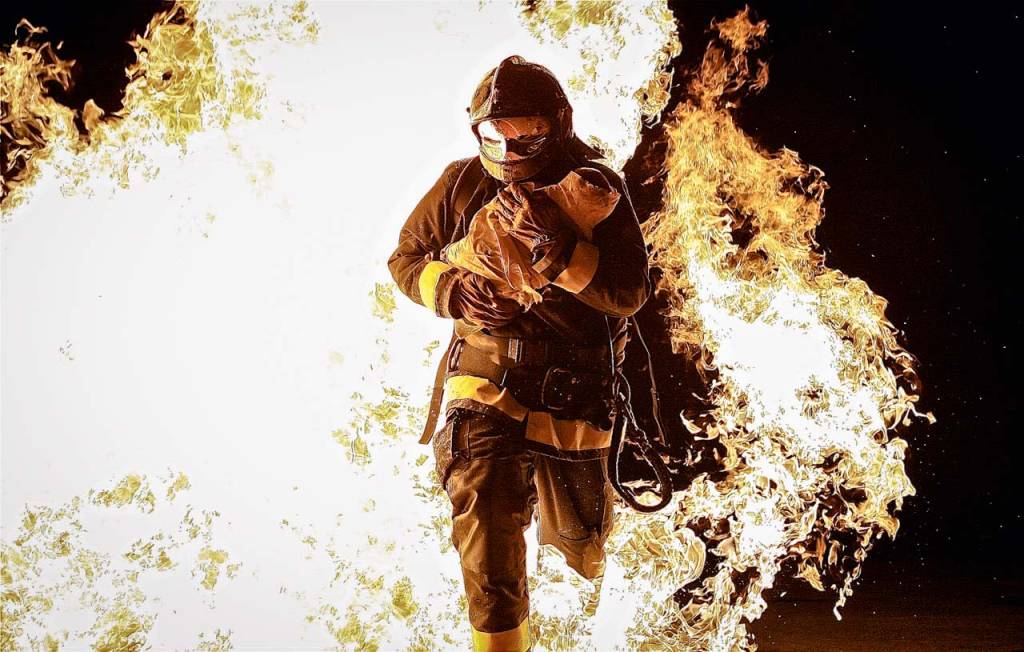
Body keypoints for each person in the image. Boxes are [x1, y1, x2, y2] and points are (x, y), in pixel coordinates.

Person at [387, 55, 651, 652]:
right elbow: (405, 259)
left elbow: (629, 293)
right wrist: (452, 290)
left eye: (525, 133)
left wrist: (561, 255)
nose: (507, 150)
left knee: (579, 552)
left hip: (573, 396)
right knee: (486, 516)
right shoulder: (460, 183)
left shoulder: (594, 189)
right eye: (492, 135)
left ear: (557, 124)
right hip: (485, 382)